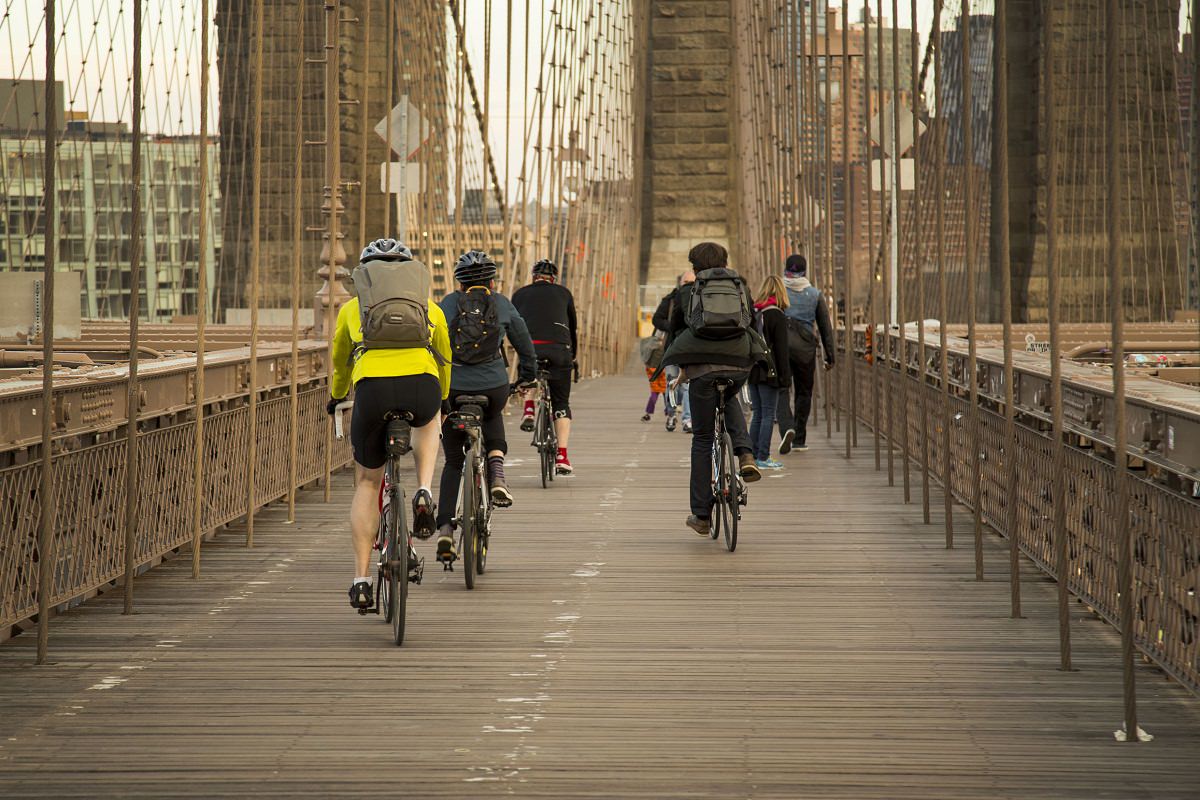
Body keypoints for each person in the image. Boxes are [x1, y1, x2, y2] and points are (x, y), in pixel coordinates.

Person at [327, 238, 451, 611]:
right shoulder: (429, 308)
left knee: (368, 481)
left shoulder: (352, 309)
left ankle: (362, 580)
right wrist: (442, 398)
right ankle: (425, 490)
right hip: (422, 387)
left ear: (364, 275)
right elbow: (445, 359)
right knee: (430, 421)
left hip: (373, 392)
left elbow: (340, 360)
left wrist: (336, 395)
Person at [434, 250, 537, 564]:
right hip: (493, 385)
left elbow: (430, 346)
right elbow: (524, 344)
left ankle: (445, 533)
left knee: (453, 460)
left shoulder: (446, 306)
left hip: (453, 389)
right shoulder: (503, 304)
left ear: (459, 282)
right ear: (491, 281)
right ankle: (497, 472)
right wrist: (527, 377)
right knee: (493, 411)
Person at [658, 242, 767, 536]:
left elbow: (677, 332)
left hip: (702, 370)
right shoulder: (740, 285)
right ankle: (745, 454)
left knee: (703, 439)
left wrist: (679, 368)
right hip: (739, 363)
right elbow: (751, 322)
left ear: (694, 268)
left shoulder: (686, 292)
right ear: (725, 263)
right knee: (729, 393)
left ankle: (702, 516)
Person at [512, 259, 578, 474]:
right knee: (561, 403)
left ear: (534, 276)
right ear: (554, 278)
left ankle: (529, 408)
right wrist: (572, 355)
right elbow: (572, 327)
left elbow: (514, 326)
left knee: (530, 369)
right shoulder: (564, 293)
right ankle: (562, 455)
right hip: (559, 349)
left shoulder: (520, 294)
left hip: (531, 348)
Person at [776, 254, 835, 454]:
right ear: (805, 270)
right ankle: (799, 439)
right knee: (804, 392)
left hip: (781, 346)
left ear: (786, 269)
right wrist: (830, 356)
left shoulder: (778, 291)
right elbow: (825, 328)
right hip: (805, 350)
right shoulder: (815, 294)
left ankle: (787, 428)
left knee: (781, 389)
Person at [748, 275, 791, 470]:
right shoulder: (777, 315)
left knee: (757, 414)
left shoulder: (755, 313)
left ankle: (751, 455)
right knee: (767, 414)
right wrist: (786, 378)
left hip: (754, 370)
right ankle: (763, 456)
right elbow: (782, 350)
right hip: (770, 372)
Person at [652, 271, 694, 432]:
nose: (689, 285)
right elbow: (657, 319)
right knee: (672, 383)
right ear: (680, 283)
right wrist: (672, 327)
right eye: (686, 282)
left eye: (692, 282)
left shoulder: (699, 299)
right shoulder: (670, 300)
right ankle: (671, 414)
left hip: (690, 349)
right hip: (672, 347)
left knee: (688, 386)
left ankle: (687, 419)